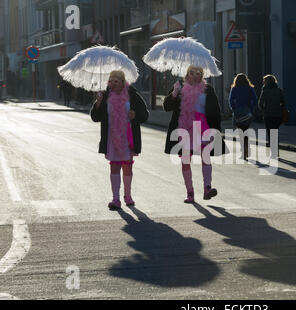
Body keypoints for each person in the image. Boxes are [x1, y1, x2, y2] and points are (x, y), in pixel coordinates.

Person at [163, 65, 226, 204]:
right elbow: (167, 107)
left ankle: (207, 188)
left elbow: (215, 111)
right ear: (187, 73)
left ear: (202, 75)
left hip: (202, 126)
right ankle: (190, 192)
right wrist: (173, 94)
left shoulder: (208, 89)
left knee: (206, 156)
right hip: (184, 126)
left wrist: (217, 130)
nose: (195, 75)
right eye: (192, 72)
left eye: (198, 73)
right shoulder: (179, 87)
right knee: (186, 159)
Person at [90, 70, 149, 210]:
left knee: (127, 167)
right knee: (114, 166)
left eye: (116, 81)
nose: (112, 83)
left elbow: (144, 114)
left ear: (123, 83)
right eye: (110, 81)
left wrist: (135, 115)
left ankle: (127, 196)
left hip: (127, 136)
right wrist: (98, 103)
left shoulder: (132, 95)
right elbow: (95, 117)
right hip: (112, 138)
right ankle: (115, 199)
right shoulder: (104, 97)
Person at [229, 73, 258, 161]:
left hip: (238, 113)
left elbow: (231, 100)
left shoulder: (234, 89)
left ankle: (243, 152)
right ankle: (247, 150)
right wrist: (251, 108)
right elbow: (255, 99)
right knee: (246, 131)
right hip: (247, 112)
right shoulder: (250, 88)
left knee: (241, 132)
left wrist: (234, 109)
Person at [258, 74, 285, 155]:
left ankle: (274, 151)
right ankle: (276, 150)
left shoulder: (265, 91)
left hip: (268, 115)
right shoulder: (279, 90)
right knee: (275, 132)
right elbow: (283, 102)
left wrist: (264, 110)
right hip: (278, 115)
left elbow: (260, 104)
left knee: (270, 133)